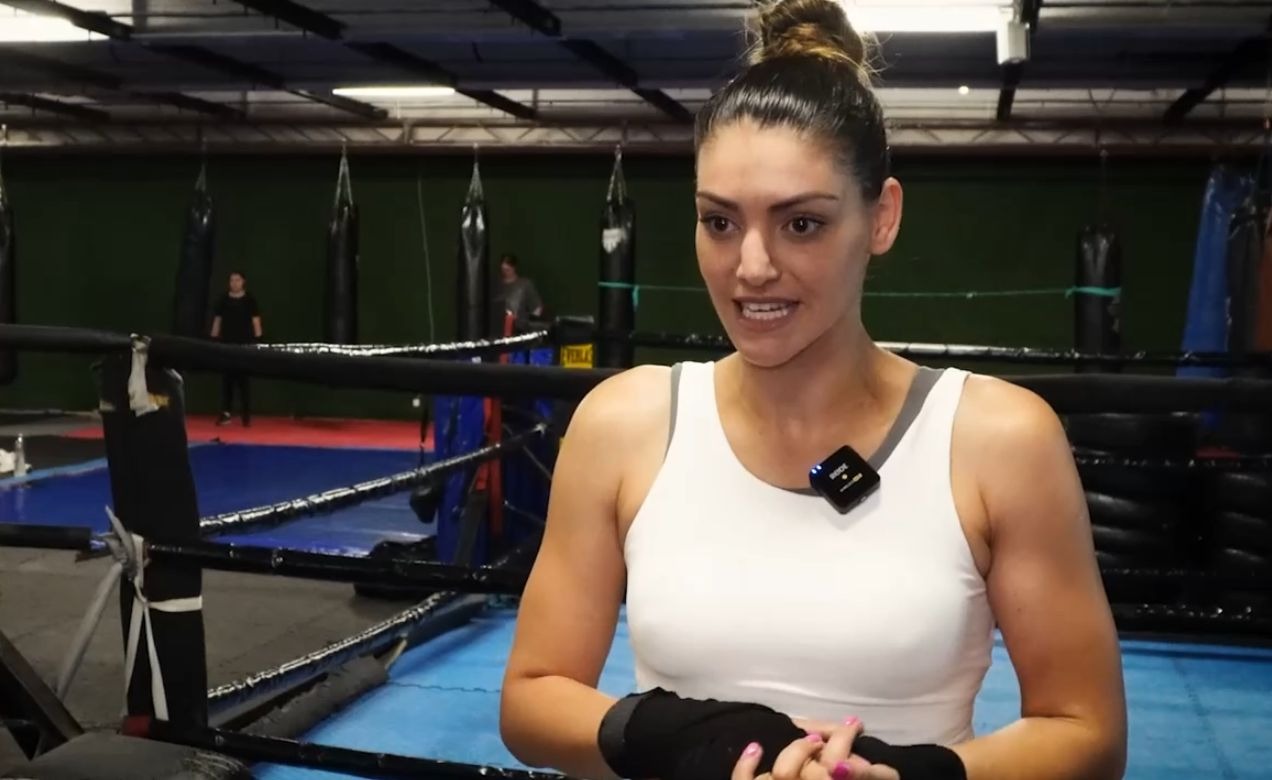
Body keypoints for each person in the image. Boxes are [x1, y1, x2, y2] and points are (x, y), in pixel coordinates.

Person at [500, 1, 1127, 779]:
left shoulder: (996, 439)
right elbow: (531, 698)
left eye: (801, 224)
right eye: (720, 222)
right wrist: (690, 739)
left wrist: (911, 776)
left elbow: (1087, 733)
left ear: (882, 218)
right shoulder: (625, 425)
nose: (752, 267)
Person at [210, 270, 262, 426]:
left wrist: (258, 340)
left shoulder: (250, 300)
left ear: (243, 282)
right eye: (232, 280)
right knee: (227, 381)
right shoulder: (223, 299)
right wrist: (213, 339)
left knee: (244, 381)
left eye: (237, 280)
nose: (234, 283)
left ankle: (246, 415)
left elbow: (256, 321)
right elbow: (217, 320)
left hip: (244, 346)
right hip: (227, 345)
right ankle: (226, 414)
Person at [496, 253, 544, 331]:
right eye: (504, 268)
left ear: (514, 267)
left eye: (508, 267)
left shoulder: (525, 284)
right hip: (498, 329)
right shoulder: (495, 285)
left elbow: (537, 308)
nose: (505, 269)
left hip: (519, 329)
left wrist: (528, 324)